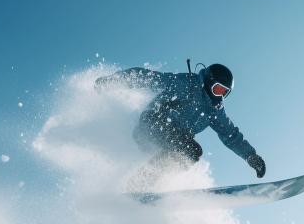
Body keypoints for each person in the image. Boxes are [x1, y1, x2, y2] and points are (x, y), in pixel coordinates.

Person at [95, 63, 266, 183]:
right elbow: (148, 78)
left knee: (191, 154)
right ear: (209, 81)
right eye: (218, 89)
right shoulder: (187, 84)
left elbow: (230, 134)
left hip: (167, 141)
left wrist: (251, 156)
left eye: (224, 93)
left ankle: (149, 182)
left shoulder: (215, 110)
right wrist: (113, 81)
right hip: (153, 123)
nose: (219, 96)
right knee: (189, 149)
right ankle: (141, 180)